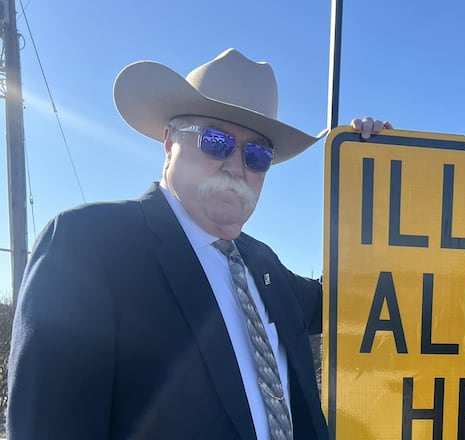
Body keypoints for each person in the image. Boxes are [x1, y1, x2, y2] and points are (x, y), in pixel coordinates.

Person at [7, 48, 391, 439]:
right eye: (216, 141)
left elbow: (357, 298)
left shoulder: (265, 265)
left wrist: (381, 178)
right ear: (169, 141)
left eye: (258, 155)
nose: (236, 165)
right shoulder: (88, 247)